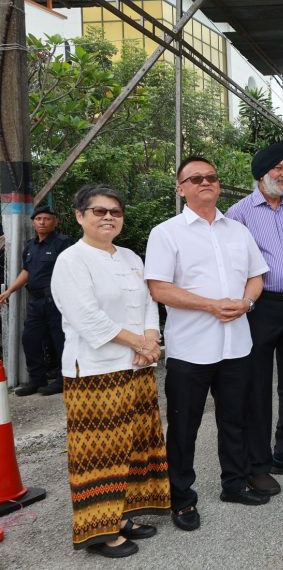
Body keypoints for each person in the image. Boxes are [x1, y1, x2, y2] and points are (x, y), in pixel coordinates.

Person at [145, 157, 270, 532]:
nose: (205, 183)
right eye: (195, 178)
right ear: (181, 187)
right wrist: (209, 305)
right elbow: (158, 287)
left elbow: (256, 276)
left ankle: (234, 483)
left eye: (211, 177)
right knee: (185, 428)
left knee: (235, 420)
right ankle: (182, 500)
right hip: (190, 349)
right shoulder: (166, 233)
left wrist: (247, 303)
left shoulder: (238, 230)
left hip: (236, 345)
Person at [51, 185, 169, 558]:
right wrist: (141, 344)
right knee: (98, 452)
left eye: (114, 212)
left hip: (136, 368)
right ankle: (98, 531)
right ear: (79, 216)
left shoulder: (132, 256)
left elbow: (150, 302)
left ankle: (123, 516)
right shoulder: (72, 260)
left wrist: (149, 339)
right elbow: (87, 318)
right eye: (99, 211)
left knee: (134, 445)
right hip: (95, 372)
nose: (107, 217)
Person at [226, 142, 283, 495]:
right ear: (261, 173)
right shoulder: (239, 213)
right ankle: (258, 463)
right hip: (259, 309)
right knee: (257, 386)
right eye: (278, 168)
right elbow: (233, 266)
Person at [0, 205, 73, 396]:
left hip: (57, 301)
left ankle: (63, 379)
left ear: (55, 222)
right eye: (39, 219)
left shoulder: (63, 243)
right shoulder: (30, 246)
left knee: (60, 340)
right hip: (36, 301)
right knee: (30, 339)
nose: (42, 222)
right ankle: (36, 380)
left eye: (47, 218)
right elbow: (27, 272)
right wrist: (9, 291)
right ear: (33, 222)